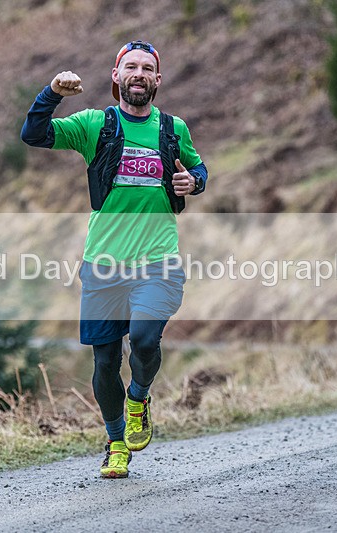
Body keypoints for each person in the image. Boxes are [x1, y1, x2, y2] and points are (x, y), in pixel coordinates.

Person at [21, 40, 208, 478]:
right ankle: (116, 440)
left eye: (147, 68)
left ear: (158, 80)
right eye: (131, 67)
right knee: (105, 362)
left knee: (143, 340)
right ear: (116, 76)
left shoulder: (172, 129)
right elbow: (33, 134)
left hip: (158, 261)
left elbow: (198, 170)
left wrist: (192, 182)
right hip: (103, 264)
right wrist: (51, 92)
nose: (139, 74)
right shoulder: (95, 125)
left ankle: (139, 396)